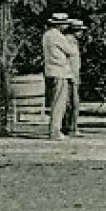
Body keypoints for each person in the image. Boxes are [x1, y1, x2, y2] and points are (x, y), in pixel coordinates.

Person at [43, 12, 78, 140]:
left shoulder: (46, 35)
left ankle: (54, 129)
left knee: (54, 101)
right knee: (59, 102)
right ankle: (55, 131)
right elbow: (71, 51)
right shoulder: (57, 36)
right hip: (60, 71)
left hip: (50, 70)